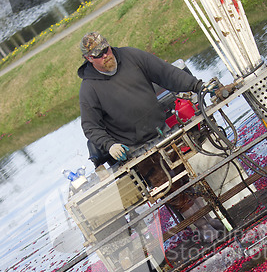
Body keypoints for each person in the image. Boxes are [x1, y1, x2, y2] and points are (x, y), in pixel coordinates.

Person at [78, 31, 223, 242]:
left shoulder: (131, 57)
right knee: (172, 191)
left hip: (162, 134)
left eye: (106, 50)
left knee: (185, 180)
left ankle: (211, 221)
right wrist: (109, 146)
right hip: (137, 152)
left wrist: (197, 86)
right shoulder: (89, 88)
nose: (105, 55)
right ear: (88, 59)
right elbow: (90, 127)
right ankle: (205, 231)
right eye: (98, 55)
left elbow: (167, 73)